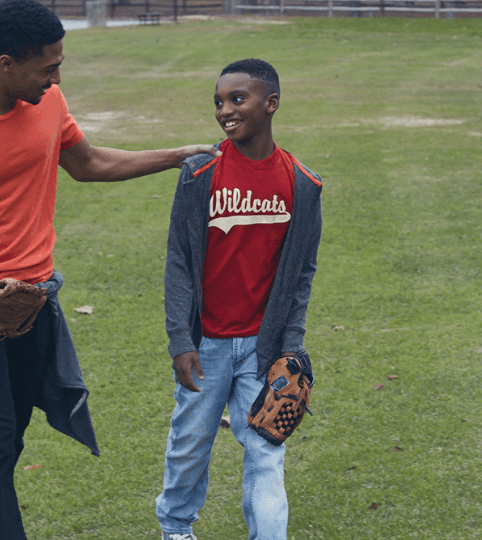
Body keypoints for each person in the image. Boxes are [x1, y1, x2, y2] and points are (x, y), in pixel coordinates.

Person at [0, 1, 220, 538]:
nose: (58, 77)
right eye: (49, 67)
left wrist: (178, 154)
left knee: (8, 438)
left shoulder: (47, 101)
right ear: (6, 64)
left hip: (36, 301)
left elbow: (88, 164)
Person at [156, 58, 324, 540]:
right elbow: (179, 263)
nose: (225, 111)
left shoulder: (302, 184)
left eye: (237, 99)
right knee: (190, 444)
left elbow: (301, 275)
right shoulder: (200, 173)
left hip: (263, 347)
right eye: (218, 102)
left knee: (266, 450)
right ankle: (176, 527)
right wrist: (179, 340)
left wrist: (290, 345)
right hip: (205, 343)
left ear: (270, 104)